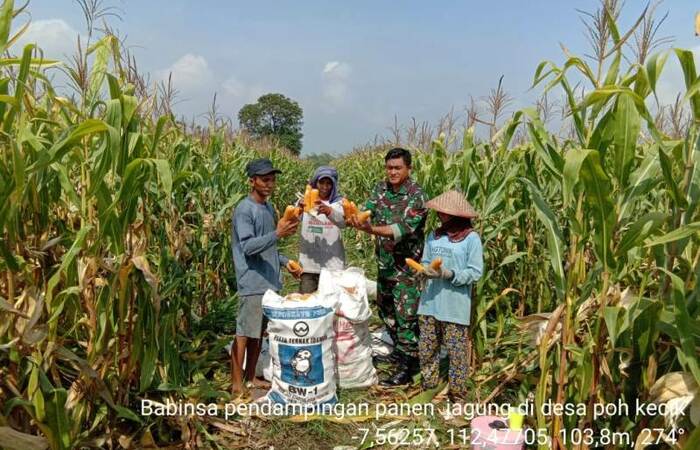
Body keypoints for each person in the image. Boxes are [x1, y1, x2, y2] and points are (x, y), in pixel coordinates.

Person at [347, 147, 428, 385]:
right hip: (385, 265)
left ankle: (409, 365)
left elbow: (400, 230)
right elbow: (368, 210)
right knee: (387, 310)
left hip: (406, 269)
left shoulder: (417, 196)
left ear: (408, 169)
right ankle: (400, 353)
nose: (392, 172)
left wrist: (369, 229)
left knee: (406, 317)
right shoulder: (381, 189)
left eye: (397, 168)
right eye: (389, 167)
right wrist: (356, 217)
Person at [230, 158, 304, 395]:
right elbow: (249, 247)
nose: (269, 184)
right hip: (252, 281)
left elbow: (269, 246)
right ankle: (236, 383)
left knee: (258, 334)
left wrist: (285, 262)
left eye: (272, 180)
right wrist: (278, 233)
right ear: (252, 181)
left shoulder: (269, 208)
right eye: (264, 180)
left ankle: (251, 377)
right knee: (243, 334)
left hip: (269, 282)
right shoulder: (245, 209)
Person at [416, 190, 483, 401]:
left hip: (455, 306)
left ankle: (458, 394)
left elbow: (475, 272)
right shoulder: (434, 236)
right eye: (440, 212)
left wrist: (450, 274)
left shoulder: (471, 239)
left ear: (458, 215)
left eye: (446, 213)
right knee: (427, 348)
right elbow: (426, 260)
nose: (441, 216)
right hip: (429, 303)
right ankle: (429, 385)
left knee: (457, 354)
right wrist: (424, 270)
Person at [298, 166, 346, 293]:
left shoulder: (339, 203)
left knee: (331, 304)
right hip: (309, 265)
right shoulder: (304, 201)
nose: (325, 187)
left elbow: (344, 223)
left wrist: (329, 211)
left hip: (333, 265)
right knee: (307, 303)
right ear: (315, 183)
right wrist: (298, 208)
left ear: (334, 185)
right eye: (321, 182)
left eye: (329, 183)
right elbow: (291, 220)